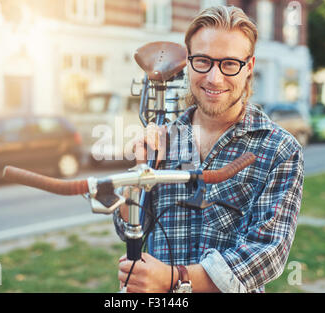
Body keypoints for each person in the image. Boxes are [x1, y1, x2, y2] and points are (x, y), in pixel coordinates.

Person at [113, 5, 304, 293]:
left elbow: (267, 253)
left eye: (229, 64)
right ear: (188, 62)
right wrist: (140, 175)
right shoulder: (165, 140)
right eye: (203, 61)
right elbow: (128, 227)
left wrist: (172, 278)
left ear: (249, 67)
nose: (214, 78)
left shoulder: (279, 149)